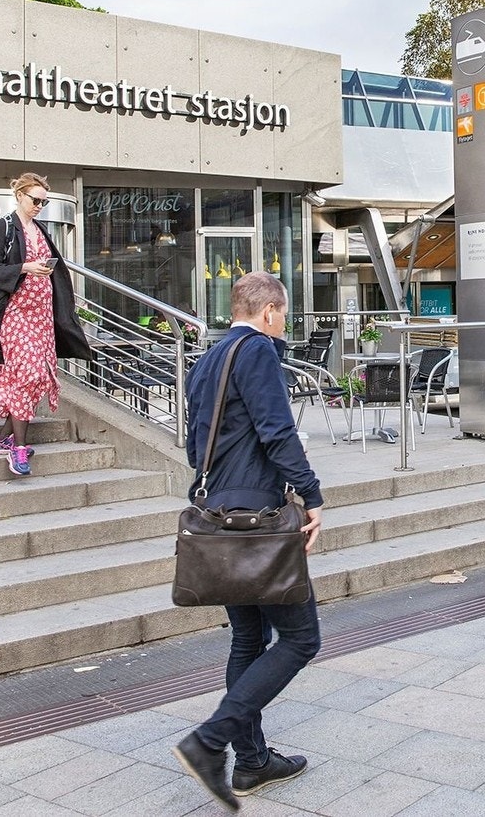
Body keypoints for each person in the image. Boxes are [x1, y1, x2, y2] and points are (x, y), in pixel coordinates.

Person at [172, 271, 324, 811]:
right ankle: (210, 741)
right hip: (258, 517)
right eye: (283, 315)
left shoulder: (208, 358)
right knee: (302, 639)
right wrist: (311, 494)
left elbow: (195, 446)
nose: (284, 325)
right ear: (268, 312)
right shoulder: (258, 351)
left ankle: (253, 762)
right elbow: (277, 431)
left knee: (248, 638)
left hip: (220, 514)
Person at [0, 173, 92, 476]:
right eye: (35, 200)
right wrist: (25, 267)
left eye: (43, 202)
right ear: (20, 195)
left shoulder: (40, 229)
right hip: (15, 314)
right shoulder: (3, 227)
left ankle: (3, 438)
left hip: (42, 317)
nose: (39, 206)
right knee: (27, 374)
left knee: (38, 377)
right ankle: (19, 449)